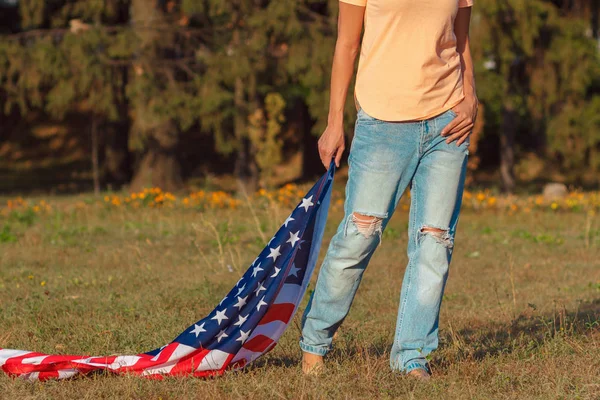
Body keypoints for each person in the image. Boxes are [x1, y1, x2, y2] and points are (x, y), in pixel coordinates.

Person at [299, 0, 478, 380]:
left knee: (435, 241)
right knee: (359, 236)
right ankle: (315, 342)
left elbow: (460, 42)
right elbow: (347, 44)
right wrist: (335, 122)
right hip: (383, 125)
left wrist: (471, 96)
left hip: (448, 124)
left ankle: (412, 354)